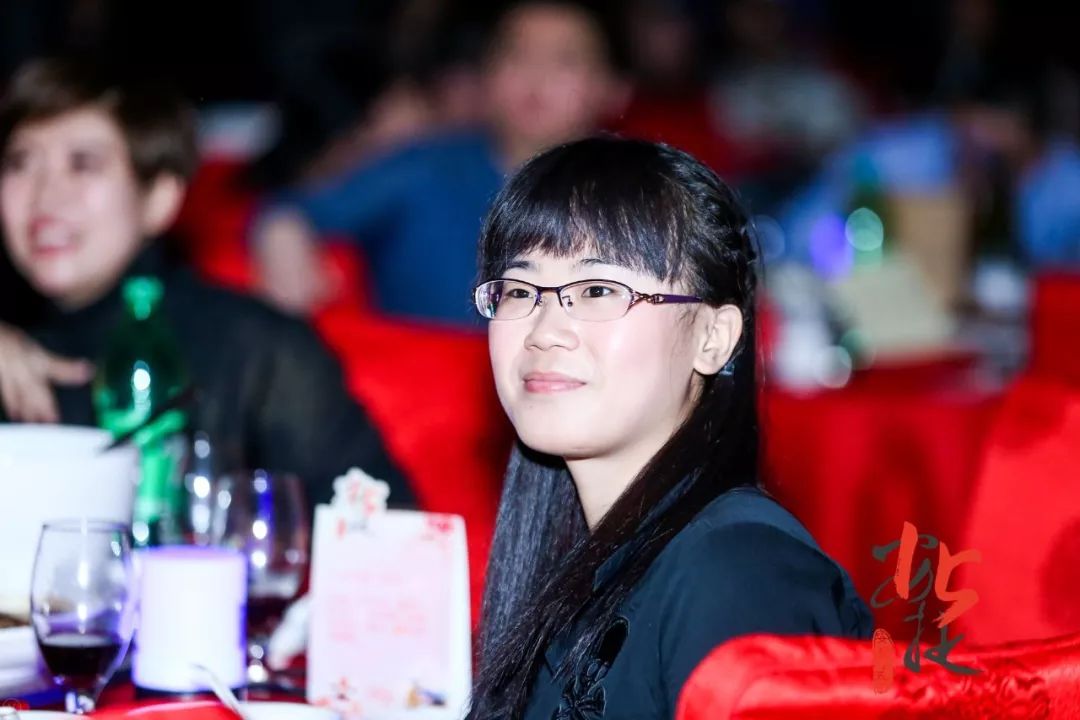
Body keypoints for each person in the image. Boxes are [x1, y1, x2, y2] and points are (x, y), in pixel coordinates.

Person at [466, 137, 873, 720]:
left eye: (598, 290)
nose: (544, 330)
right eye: (519, 290)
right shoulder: (573, 559)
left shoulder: (739, 574)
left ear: (713, 338)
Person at [0, 58, 412, 509]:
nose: (45, 195)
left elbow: (388, 531)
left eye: (83, 164)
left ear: (159, 198)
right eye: (19, 163)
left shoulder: (255, 350)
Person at [251, 0, 626, 326]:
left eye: (564, 60)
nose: (536, 77)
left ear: (612, 87)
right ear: (485, 74)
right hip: (420, 378)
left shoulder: (633, 191)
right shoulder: (423, 168)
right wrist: (282, 234)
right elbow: (292, 210)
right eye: (516, 55)